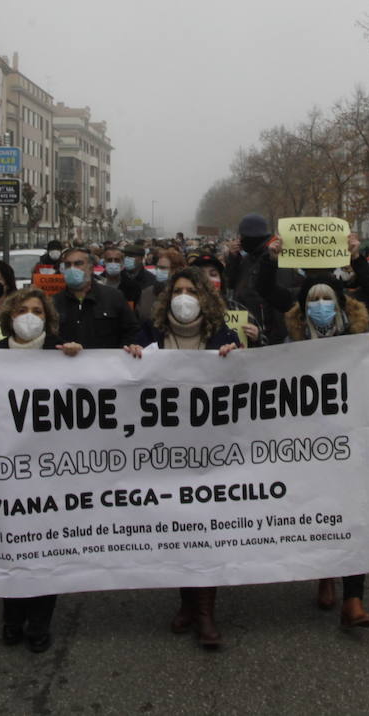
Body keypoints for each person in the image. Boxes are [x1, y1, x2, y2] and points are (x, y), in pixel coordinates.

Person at [282, 277, 369, 627]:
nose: (319, 305)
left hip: (354, 443)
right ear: (302, 307)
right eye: (312, 300)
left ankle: (354, 598)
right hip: (311, 444)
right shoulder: (289, 342)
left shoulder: (361, 337)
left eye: (326, 299)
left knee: (356, 514)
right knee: (322, 511)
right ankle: (325, 575)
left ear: (339, 304)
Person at [136, 267, 242, 648]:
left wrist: (236, 357)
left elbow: (246, 382)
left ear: (205, 297)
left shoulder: (223, 335)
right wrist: (130, 357)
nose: (184, 297)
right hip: (164, 450)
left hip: (212, 450)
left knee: (207, 530)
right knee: (180, 529)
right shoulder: (150, 335)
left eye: (191, 290)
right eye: (177, 290)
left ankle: (204, 613)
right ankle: (187, 603)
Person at [0, 287, 83, 652]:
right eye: (23, 310)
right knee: (11, 546)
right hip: (5, 470)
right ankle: (12, 618)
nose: (30, 317)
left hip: (51, 472)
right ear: (9, 316)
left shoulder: (63, 352)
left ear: (48, 319)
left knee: (47, 549)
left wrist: (79, 359)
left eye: (38, 312)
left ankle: (40, 622)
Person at [53, 246, 140, 349]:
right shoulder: (55, 302)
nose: (72, 268)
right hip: (67, 363)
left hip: (105, 363)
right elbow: (50, 337)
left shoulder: (114, 297)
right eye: (68, 265)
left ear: (90, 268)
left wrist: (125, 350)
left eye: (78, 264)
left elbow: (131, 331)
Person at [223, 214, 289, 344]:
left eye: (242, 237)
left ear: (252, 237)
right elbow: (231, 284)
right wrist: (233, 259)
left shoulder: (273, 260)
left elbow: (279, 303)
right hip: (244, 330)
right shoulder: (247, 259)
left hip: (265, 337)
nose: (239, 240)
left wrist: (265, 336)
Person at [136, 248, 186, 321]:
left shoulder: (185, 295)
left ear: (176, 270)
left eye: (163, 268)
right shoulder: (146, 293)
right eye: (157, 267)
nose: (158, 271)